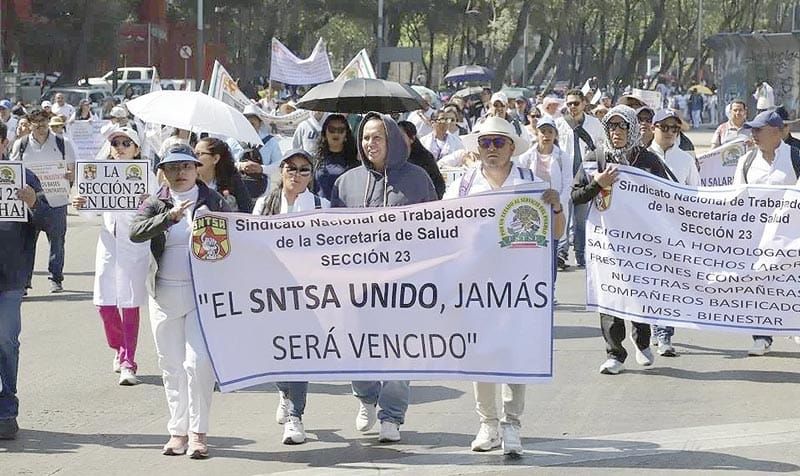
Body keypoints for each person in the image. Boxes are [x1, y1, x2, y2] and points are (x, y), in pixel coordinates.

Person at [443, 116, 564, 457]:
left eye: (498, 142)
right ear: (477, 147)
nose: (491, 149)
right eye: (485, 143)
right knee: (481, 354)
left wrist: (554, 206)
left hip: (519, 289)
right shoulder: (462, 186)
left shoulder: (531, 183)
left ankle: (512, 424)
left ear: (512, 147)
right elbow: (443, 232)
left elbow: (555, 232)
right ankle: (488, 423)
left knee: (516, 353)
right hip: (476, 288)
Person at [330, 112, 437, 443]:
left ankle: (392, 415)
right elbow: (329, 235)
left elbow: (436, 229)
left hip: (404, 285)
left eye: (377, 137)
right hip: (357, 286)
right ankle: (366, 398)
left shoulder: (418, 178)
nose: (369, 143)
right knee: (357, 348)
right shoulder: (346, 182)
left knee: (399, 350)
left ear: (392, 140)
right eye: (365, 137)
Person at [130, 147, 232, 458]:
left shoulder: (214, 201)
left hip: (202, 296)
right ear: (163, 171)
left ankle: (199, 432)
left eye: (186, 166)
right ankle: (178, 431)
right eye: (172, 167)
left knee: (198, 362)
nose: (180, 173)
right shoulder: (154, 201)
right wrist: (168, 218)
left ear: (197, 168)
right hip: (164, 294)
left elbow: (237, 238)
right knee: (171, 364)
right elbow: (135, 232)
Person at [571, 105, 674, 375]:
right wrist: (599, 183)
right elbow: (576, 195)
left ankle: (641, 340)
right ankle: (614, 352)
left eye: (622, 126)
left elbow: (665, 195)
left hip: (640, 243)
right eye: (612, 126)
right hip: (607, 244)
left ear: (630, 128)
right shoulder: (596, 158)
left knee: (639, 293)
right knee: (611, 296)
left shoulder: (647, 160)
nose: (616, 132)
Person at [252, 149, 330, 445]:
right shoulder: (265, 203)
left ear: (311, 175)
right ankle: (284, 391)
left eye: (303, 169)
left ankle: (296, 416)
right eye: (291, 168)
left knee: (298, 353)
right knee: (273, 351)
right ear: (281, 171)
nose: (296, 174)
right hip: (270, 291)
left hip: (307, 293)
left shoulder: (321, 206)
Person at [71, 126, 153, 386]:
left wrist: (148, 201)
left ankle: (129, 360)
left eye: (126, 143)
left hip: (134, 246)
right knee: (104, 304)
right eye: (116, 143)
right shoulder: (100, 174)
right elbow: (93, 213)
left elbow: (157, 210)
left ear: (136, 149)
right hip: (108, 245)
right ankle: (118, 346)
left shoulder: (147, 176)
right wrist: (82, 205)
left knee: (129, 303)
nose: (120, 147)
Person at [731, 111, 799, 356]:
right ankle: (761, 336)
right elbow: (735, 199)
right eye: (753, 130)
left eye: (759, 130)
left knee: (791, 284)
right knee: (759, 287)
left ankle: (795, 326)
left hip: (791, 240)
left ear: (776, 131)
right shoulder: (746, 162)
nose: (754, 135)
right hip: (757, 239)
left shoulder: (795, 158)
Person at [0, 121, 50, 439]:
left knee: (5, 342)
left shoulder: (23, 178)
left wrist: (34, 204)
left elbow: (52, 225)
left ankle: (6, 412)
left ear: (3, 144)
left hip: (10, 276)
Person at [647, 109, 699, 356]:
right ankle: (654, 328)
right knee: (650, 283)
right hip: (645, 230)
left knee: (668, 282)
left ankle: (664, 332)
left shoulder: (686, 160)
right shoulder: (641, 158)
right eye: (664, 127)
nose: (669, 133)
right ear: (653, 128)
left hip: (675, 232)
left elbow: (695, 194)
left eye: (674, 129)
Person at [10, 107, 77, 293]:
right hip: (30, 203)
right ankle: (24, 282)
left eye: (44, 121)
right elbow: (13, 172)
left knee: (57, 242)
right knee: (26, 243)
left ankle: (56, 278)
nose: (41, 125)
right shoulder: (21, 144)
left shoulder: (63, 143)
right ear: (29, 124)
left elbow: (73, 172)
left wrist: (69, 175)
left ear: (49, 121)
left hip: (56, 201)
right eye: (37, 122)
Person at [514, 116, 571, 283]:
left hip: (554, 210)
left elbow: (568, 183)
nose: (546, 135)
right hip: (532, 212)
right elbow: (520, 181)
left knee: (552, 249)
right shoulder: (526, 157)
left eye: (550, 132)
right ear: (537, 133)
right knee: (532, 250)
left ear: (555, 135)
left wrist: (558, 203)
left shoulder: (562, 157)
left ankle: (550, 288)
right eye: (542, 131)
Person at [555, 89, 605, 270]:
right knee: (563, 216)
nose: (572, 107)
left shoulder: (595, 124)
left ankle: (582, 254)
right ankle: (561, 253)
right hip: (565, 177)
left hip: (584, 178)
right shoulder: (559, 124)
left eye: (576, 103)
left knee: (581, 219)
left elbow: (601, 148)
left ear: (584, 103)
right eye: (569, 104)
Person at [193, 137, 252, 212]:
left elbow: (246, 209)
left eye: (198, 154)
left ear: (215, 159)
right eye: (193, 153)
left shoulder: (232, 180)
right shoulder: (189, 180)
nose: (194, 158)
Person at [236, 104, 282, 199]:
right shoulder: (234, 140)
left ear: (260, 123)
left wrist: (261, 169)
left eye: (252, 123)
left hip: (263, 193)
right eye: (246, 123)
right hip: (238, 191)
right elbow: (227, 162)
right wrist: (240, 166)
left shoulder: (270, 142)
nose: (249, 126)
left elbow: (278, 164)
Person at [313, 114, 359, 201]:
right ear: (325, 133)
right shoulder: (315, 160)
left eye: (341, 130)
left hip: (344, 211)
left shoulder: (354, 163)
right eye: (332, 129)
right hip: (319, 210)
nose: (336, 133)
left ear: (346, 135)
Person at [397, 121, 447, 199]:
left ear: (412, 138)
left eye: (401, 137)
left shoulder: (425, 158)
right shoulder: (391, 159)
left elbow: (439, 185)